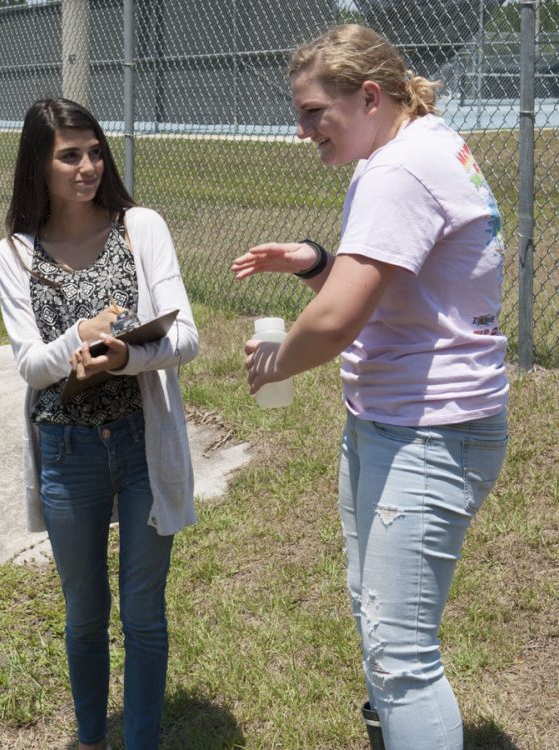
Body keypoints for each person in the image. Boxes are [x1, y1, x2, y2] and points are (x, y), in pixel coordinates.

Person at [230, 25, 508, 750]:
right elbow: (390, 287)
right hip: (404, 420)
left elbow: (338, 319)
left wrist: (275, 364)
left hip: (426, 432)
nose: (301, 131)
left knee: (402, 658)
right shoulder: (418, 145)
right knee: (379, 619)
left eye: (314, 111)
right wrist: (316, 260)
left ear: (371, 96)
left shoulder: (398, 170)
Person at [0, 98, 199, 750]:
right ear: (38, 164)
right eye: (69, 155)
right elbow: (31, 366)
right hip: (65, 447)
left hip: (141, 439)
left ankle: (140, 740)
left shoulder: (140, 227)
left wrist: (127, 355)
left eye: (94, 151)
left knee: (143, 612)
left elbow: (186, 337)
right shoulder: (15, 254)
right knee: (84, 614)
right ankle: (90, 738)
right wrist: (76, 342)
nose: (87, 166)